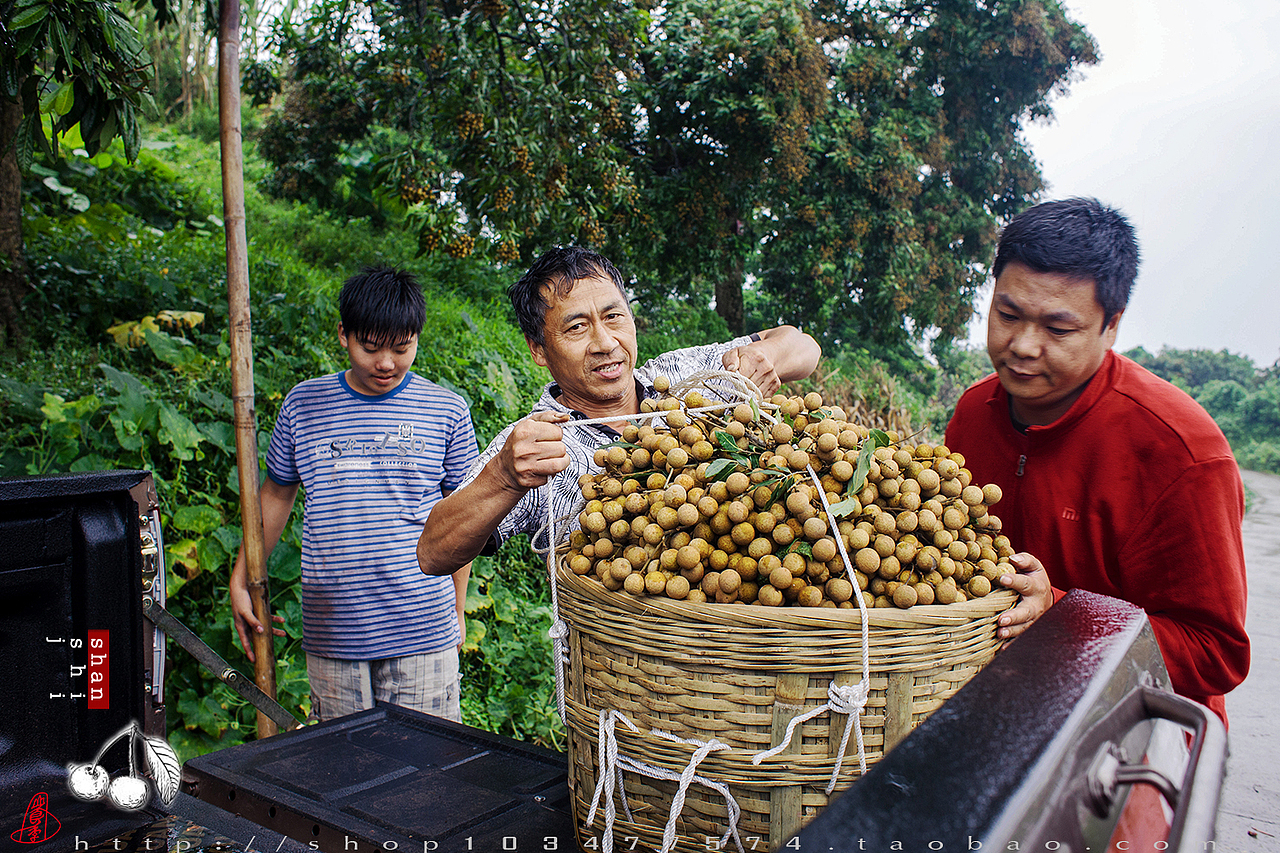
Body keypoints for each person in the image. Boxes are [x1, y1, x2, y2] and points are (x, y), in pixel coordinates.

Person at [945, 197, 1250, 723]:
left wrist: (1059, 613)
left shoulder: (1182, 451)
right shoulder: (974, 412)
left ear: (1111, 326)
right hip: (998, 702)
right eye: (1007, 314)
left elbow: (1215, 651)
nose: (1022, 345)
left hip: (1130, 728)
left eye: (1058, 329)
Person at [416, 246, 823, 576]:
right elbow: (433, 553)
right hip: (617, 663)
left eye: (613, 317)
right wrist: (502, 477)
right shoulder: (536, 445)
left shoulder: (683, 378)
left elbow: (803, 346)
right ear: (538, 349)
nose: (605, 342)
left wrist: (766, 354)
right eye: (577, 327)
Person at [231, 266, 480, 722]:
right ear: (343, 334)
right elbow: (276, 497)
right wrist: (242, 576)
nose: (387, 363)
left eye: (403, 348)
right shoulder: (303, 405)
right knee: (345, 773)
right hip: (334, 630)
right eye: (371, 347)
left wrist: (457, 609)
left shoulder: (446, 410)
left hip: (423, 625)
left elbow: (463, 519)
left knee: (426, 774)